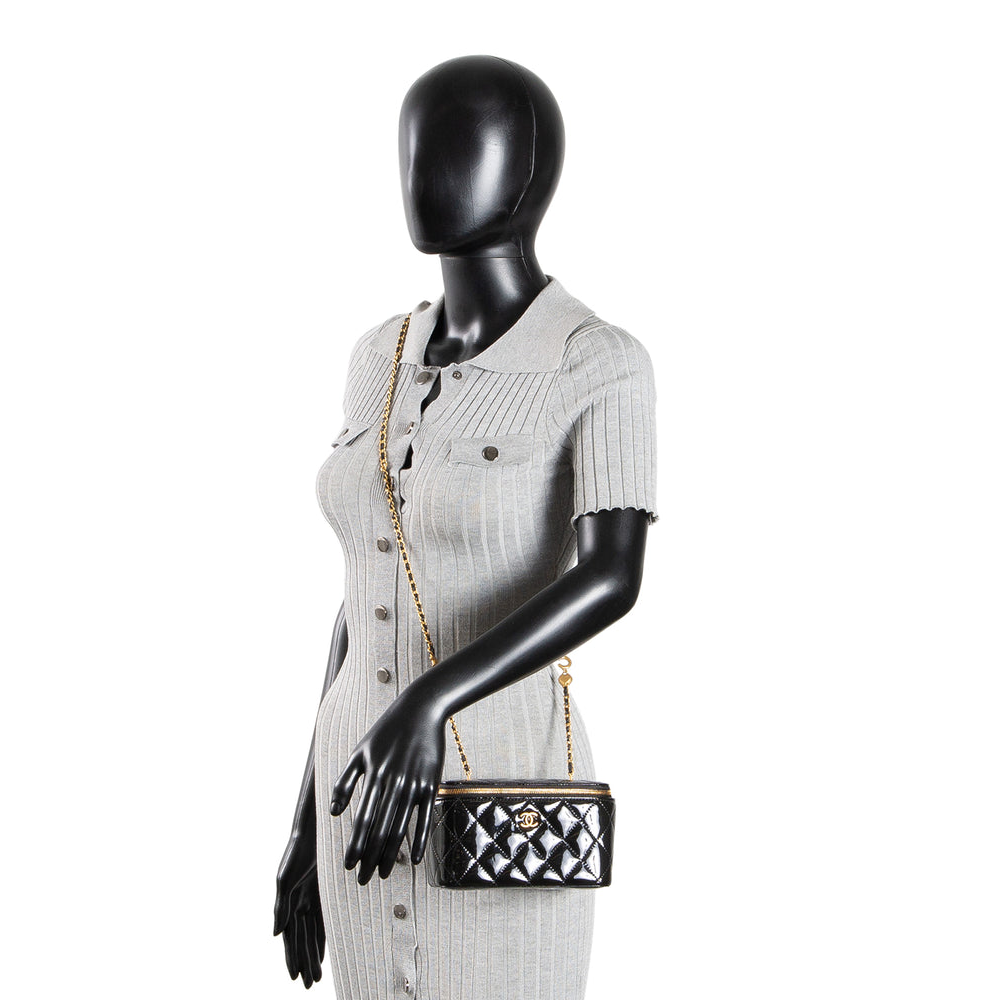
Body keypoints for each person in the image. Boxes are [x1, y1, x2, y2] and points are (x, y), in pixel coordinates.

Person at [274, 54, 658, 998]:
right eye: (412, 147)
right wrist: (304, 818)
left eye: (455, 148)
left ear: (526, 173)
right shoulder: (379, 357)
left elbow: (612, 576)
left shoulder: (597, 362)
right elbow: (361, 596)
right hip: (360, 791)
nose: (423, 172)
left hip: (501, 790)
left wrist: (431, 699)